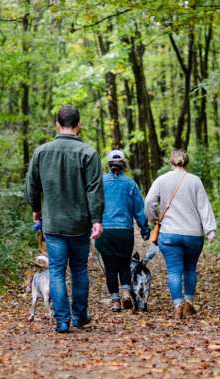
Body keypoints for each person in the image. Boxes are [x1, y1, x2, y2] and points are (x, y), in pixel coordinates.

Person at [25, 105, 104, 333]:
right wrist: (97, 219)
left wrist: (36, 208)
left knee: (57, 271)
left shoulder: (41, 152)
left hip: (53, 224)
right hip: (80, 223)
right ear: (78, 125)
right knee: (79, 270)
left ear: (57, 125)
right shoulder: (88, 153)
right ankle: (79, 316)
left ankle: (62, 320)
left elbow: (32, 185)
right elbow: (94, 190)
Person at [145, 149, 216, 320]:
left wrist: (154, 217)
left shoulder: (162, 180)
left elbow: (149, 201)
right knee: (190, 268)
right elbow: (203, 206)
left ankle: (178, 304)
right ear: (187, 162)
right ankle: (189, 303)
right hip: (193, 234)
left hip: (169, 234)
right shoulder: (195, 181)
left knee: (174, 271)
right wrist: (210, 230)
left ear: (171, 162)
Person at [95, 150, 150, 312]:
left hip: (105, 231)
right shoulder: (130, 184)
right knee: (124, 264)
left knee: (110, 268)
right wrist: (144, 228)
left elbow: (94, 205)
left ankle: (115, 301)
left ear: (108, 165)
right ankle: (126, 291)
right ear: (123, 165)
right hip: (124, 231)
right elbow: (139, 210)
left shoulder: (100, 183)